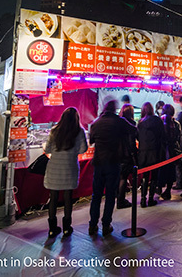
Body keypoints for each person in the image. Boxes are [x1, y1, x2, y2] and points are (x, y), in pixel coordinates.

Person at [88, 98, 138, 237]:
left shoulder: (96, 123)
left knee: (96, 195)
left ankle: (92, 225)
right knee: (110, 195)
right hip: (114, 162)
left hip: (98, 163)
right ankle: (105, 225)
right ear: (115, 109)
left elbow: (91, 140)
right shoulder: (119, 121)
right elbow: (134, 129)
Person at [42, 107, 88, 238]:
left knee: (53, 198)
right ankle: (67, 227)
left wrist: (45, 147)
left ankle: (52, 229)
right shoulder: (79, 131)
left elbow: (48, 149)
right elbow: (83, 149)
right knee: (68, 198)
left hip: (54, 168)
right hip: (70, 167)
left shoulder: (54, 131)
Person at [137, 102, 164, 208]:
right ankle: (151, 198)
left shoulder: (140, 122)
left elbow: (138, 137)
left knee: (145, 176)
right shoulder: (157, 120)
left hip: (143, 153)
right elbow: (162, 135)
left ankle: (143, 199)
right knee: (154, 176)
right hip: (155, 151)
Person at [116, 103, 138, 209]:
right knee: (123, 178)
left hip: (117, 154)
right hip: (126, 154)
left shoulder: (118, 123)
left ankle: (119, 198)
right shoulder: (131, 124)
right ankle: (121, 200)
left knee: (120, 177)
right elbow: (131, 143)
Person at [158, 104, 181, 200]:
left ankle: (158, 188)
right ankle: (168, 190)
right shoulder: (176, 124)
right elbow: (178, 137)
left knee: (160, 170)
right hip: (172, 150)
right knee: (171, 170)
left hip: (162, 150)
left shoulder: (160, 122)